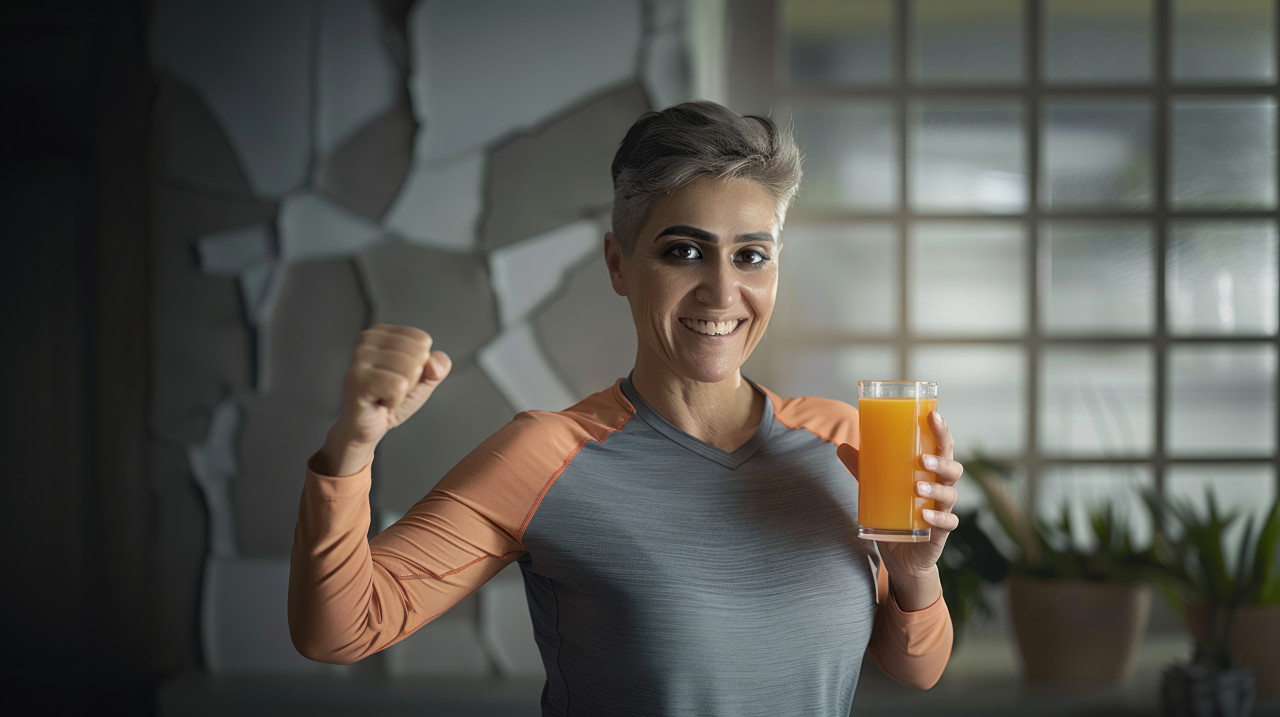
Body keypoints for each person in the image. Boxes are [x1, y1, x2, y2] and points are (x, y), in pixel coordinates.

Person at [289, 101, 964, 716]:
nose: (722, 290)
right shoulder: (544, 456)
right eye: (684, 251)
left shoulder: (843, 440)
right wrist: (351, 450)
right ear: (619, 263)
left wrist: (914, 573)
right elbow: (340, 628)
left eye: (751, 255)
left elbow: (917, 667)